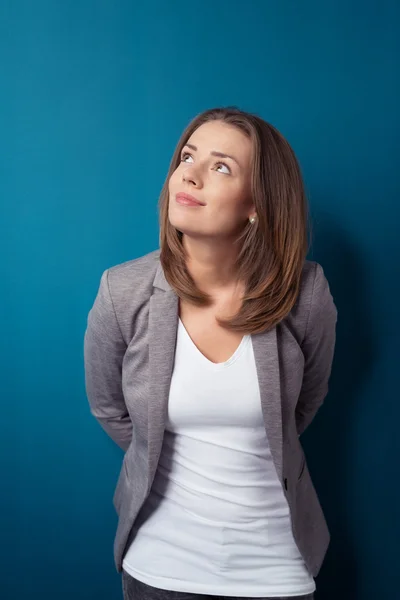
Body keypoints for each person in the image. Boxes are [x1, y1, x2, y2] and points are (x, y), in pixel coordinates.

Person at [83, 106, 338, 600]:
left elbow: (303, 404)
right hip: (159, 569)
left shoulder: (306, 293)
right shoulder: (122, 291)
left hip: (274, 570)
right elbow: (109, 409)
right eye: (187, 157)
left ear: (257, 204)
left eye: (221, 166)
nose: (191, 175)